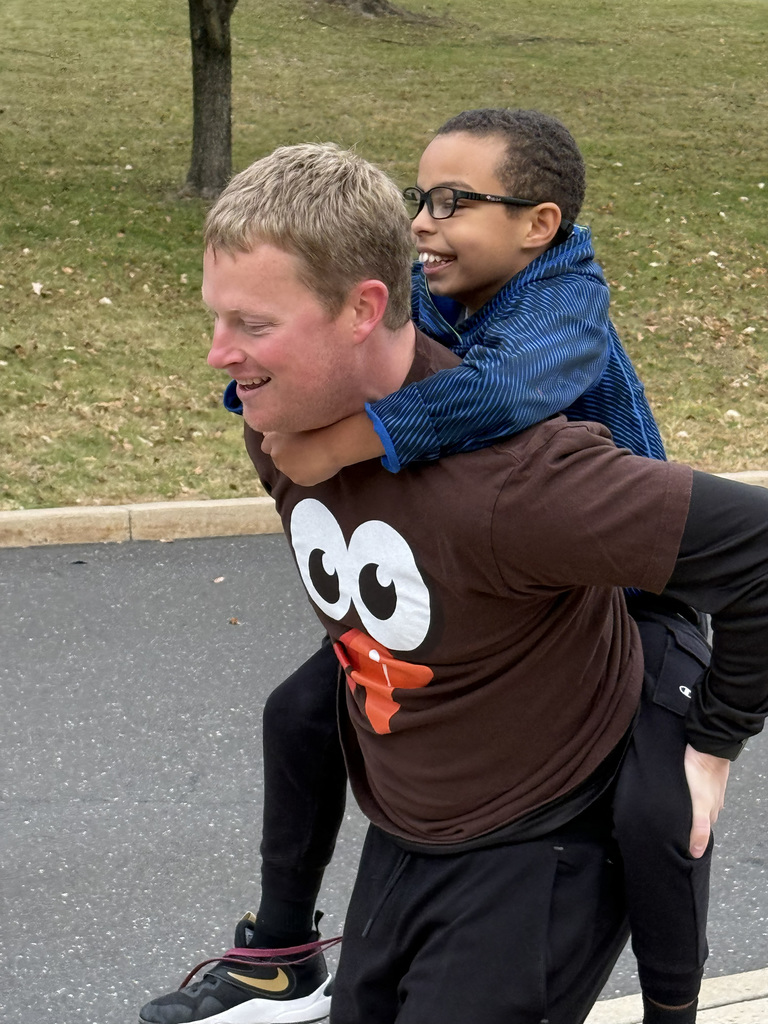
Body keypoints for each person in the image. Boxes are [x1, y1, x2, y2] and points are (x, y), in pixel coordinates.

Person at [139, 139, 768, 1024]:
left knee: (664, 814)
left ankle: (675, 1003)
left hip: (555, 799)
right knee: (301, 709)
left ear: (362, 309)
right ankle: (280, 951)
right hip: (408, 835)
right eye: (216, 318)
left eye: (251, 325)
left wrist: (717, 739)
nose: (218, 358)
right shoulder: (284, 415)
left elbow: (755, 550)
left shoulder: (530, 426)